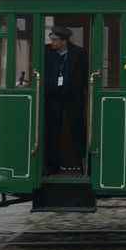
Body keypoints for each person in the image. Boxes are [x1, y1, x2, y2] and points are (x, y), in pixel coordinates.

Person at [44, 26, 87, 176]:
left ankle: (83, 163)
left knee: (77, 129)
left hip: (72, 97)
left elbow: (85, 76)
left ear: (64, 41)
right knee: (53, 131)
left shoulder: (78, 53)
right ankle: (53, 164)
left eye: (55, 40)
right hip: (53, 97)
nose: (52, 42)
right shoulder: (47, 51)